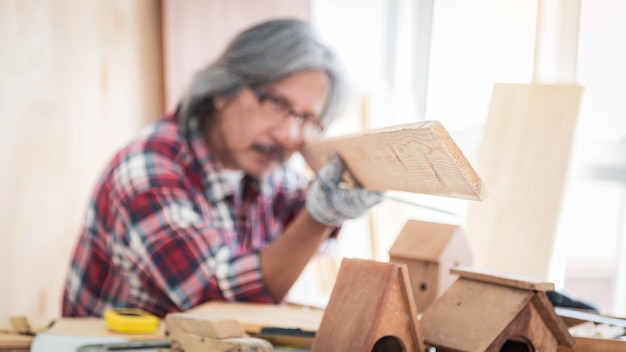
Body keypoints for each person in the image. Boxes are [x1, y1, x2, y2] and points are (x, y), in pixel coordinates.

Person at [62, 19, 384, 318]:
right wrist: (320, 216)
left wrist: (331, 192)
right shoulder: (148, 171)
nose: (288, 136)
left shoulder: (270, 173)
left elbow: (311, 241)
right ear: (222, 90)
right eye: (277, 105)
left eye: (305, 119)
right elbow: (218, 302)